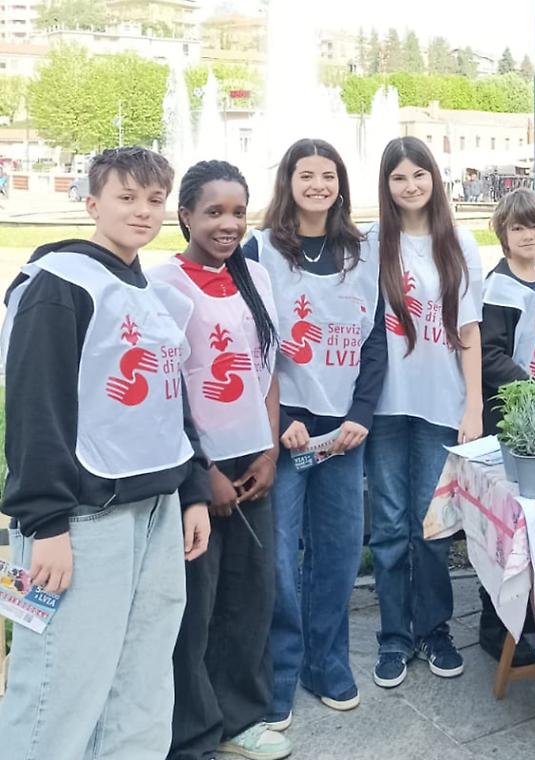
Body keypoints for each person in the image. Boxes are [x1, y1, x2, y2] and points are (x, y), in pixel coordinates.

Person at [0, 146, 211, 759]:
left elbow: (172, 403)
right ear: (93, 204)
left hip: (155, 508)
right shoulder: (58, 285)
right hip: (80, 519)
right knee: (58, 683)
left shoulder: (149, 293)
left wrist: (192, 490)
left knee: (142, 680)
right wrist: (43, 524)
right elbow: (35, 410)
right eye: (126, 197)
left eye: (153, 199)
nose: (142, 211)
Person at [152, 161, 290, 760]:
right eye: (213, 212)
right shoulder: (163, 286)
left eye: (237, 211)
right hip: (195, 467)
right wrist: (200, 473)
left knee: (250, 594)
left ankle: (241, 718)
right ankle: (192, 733)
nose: (228, 224)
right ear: (185, 215)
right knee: (196, 604)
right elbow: (164, 393)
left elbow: (268, 370)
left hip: (253, 459)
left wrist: (268, 449)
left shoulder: (255, 275)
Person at [246, 138, 385, 731]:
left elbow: (375, 340)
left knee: (338, 549)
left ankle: (327, 663)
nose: (319, 185)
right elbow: (248, 340)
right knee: (279, 553)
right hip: (287, 430)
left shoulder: (362, 251)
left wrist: (361, 414)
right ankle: (281, 670)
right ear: (289, 181)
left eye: (329, 176)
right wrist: (278, 422)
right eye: (307, 175)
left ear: (341, 185)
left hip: (343, 432)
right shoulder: (261, 251)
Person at [369, 136, 483, 690]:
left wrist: (474, 405)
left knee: (432, 526)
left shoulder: (459, 242)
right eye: (398, 177)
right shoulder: (371, 244)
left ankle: (435, 628)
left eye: (420, 175)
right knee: (389, 527)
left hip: (441, 404)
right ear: (386, 186)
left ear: (434, 179)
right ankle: (394, 635)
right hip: (385, 409)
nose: (411, 185)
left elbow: (468, 330)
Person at [477, 187, 535, 667]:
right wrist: (531, 386)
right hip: (510, 414)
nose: (529, 235)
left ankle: (531, 614)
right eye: (518, 228)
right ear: (503, 234)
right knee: (506, 523)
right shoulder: (499, 287)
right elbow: (490, 355)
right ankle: (496, 626)